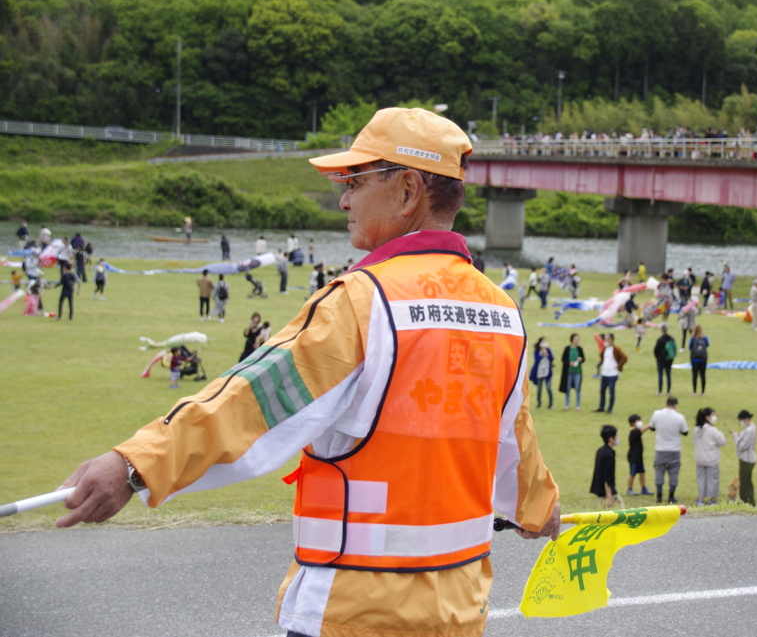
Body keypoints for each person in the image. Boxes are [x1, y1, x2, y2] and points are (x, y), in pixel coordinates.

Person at [55, 107, 561, 637]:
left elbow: (252, 401)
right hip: (459, 614)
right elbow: (514, 440)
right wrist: (538, 507)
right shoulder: (502, 312)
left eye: (354, 180)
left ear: (409, 190)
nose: (344, 198)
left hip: (352, 609)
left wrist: (136, 464)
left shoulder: (363, 301)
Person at [648, 397, 689, 504]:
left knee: (659, 470)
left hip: (660, 448)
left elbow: (652, 427)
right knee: (674, 471)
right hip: (674, 449)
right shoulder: (679, 417)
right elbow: (685, 432)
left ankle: (659, 495)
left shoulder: (657, 414)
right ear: (675, 405)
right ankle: (671, 495)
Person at [693, 407, 726, 506]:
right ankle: (713, 499)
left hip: (700, 458)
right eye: (712, 415)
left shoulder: (696, 430)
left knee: (701, 479)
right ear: (707, 417)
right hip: (711, 458)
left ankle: (701, 498)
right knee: (713, 479)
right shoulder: (712, 430)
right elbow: (722, 441)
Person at [590, 425, 621, 508]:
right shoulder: (609, 454)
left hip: (600, 489)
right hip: (606, 492)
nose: (618, 438)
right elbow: (607, 477)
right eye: (616, 436)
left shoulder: (601, 450)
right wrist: (609, 497)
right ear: (611, 439)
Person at [595, 333, 627, 414]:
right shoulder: (605, 348)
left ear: (611, 340)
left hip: (612, 374)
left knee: (611, 391)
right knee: (602, 390)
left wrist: (619, 366)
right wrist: (604, 362)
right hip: (604, 374)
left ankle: (609, 408)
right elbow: (601, 355)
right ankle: (601, 407)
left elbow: (624, 357)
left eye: (607, 338)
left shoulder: (616, 349)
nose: (605, 340)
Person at [731, 410, 757, 506]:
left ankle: (748, 501)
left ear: (746, 419)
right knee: (745, 481)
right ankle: (746, 500)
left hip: (747, 459)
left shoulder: (750, 430)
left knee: (745, 483)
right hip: (748, 458)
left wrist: (736, 437)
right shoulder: (751, 428)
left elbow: (743, 445)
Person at [625, 414, 653, 496]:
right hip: (634, 457)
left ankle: (643, 488)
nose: (640, 423)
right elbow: (641, 431)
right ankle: (629, 489)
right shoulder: (634, 431)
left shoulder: (635, 431)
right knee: (632, 473)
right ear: (632, 423)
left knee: (642, 472)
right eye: (638, 421)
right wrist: (650, 425)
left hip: (639, 457)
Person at [559, 333, 585, 410]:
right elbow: (563, 359)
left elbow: (583, 359)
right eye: (575, 338)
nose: (577, 340)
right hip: (569, 371)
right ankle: (567, 404)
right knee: (568, 388)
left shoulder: (579, 349)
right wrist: (569, 362)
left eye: (578, 338)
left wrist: (581, 359)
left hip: (577, 371)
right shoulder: (567, 348)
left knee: (577, 388)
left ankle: (577, 405)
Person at [529, 337, 555, 409]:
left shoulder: (548, 350)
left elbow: (552, 358)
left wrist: (547, 354)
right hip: (539, 373)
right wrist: (542, 355)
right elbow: (536, 360)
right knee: (539, 389)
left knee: (549, 388)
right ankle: (539, 403)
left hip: (547, 372)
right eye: (543, 341)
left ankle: (551, 403)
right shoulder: (536, 351)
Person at [653, 323, 676, 396]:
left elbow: (655, 350)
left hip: (661, 360)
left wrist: (657, 357)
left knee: (660, 375)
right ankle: (668, 391)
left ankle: (660, 391)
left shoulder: (660, 340)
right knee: (668, 375)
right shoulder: (671, 338)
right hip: (669, 359)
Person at [689, 324, 709, 396]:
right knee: (703, 375)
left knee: (695, 375)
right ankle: (702, 391)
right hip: (703, 359)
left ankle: (694, 391)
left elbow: (690, 347)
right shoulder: (705, 338)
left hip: (694, 359)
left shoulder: (693, 339)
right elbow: (707, 345)